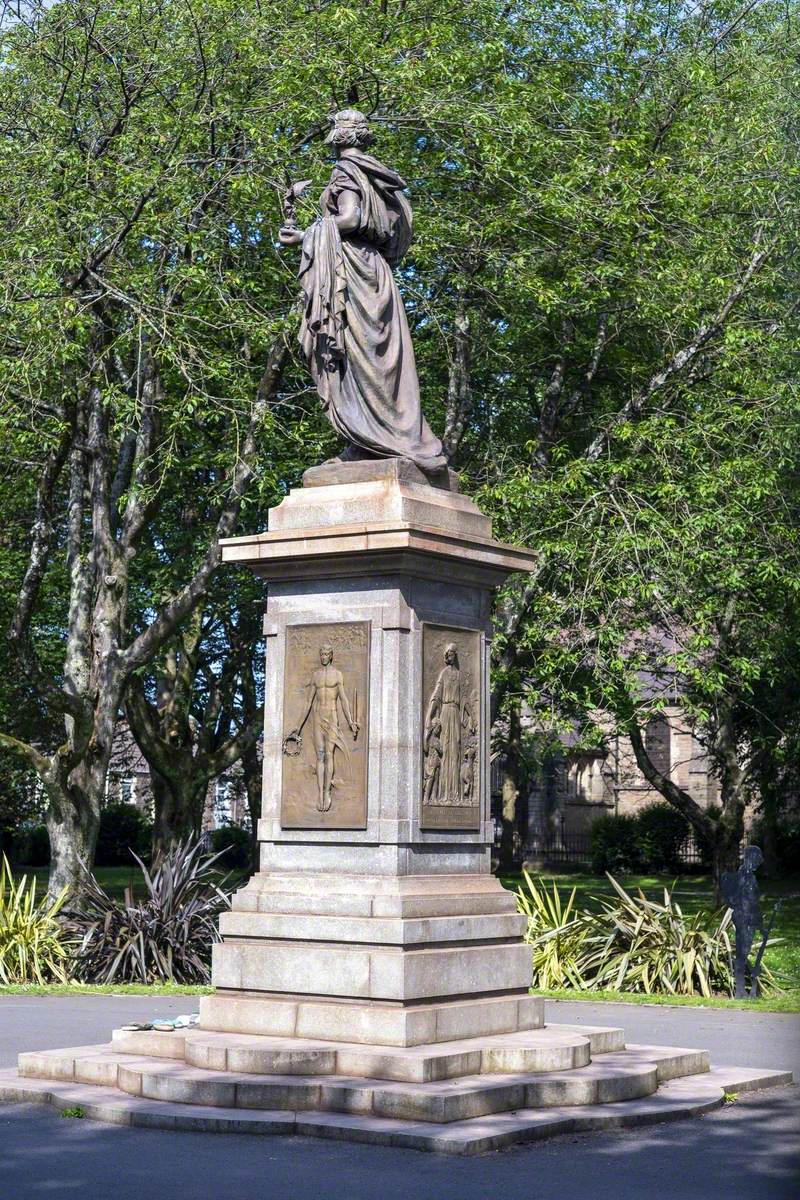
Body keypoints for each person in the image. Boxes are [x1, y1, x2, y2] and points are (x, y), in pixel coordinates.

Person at [279, 109, 446, 472]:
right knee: (379, 360)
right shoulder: (376, 174)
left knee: (360, 358)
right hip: (374, 270)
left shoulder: (346, 171)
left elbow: (351, 219)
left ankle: (380, 440)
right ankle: (368, 441)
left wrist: (307, 233)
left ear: (339, 136)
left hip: (351, 270)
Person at [291, 643, 359, 813]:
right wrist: (298, 726)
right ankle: (320, 793)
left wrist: (350, 721)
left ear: (331, 655)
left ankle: (327, 792)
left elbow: (343, 699)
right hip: (318, 717)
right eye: (321, 654)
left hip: (332, 716)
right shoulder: (316, 676)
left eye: (326, 654)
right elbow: (308, 701)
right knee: (320, 756)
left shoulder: (337, 675)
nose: (323, 657)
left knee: (329, 755)